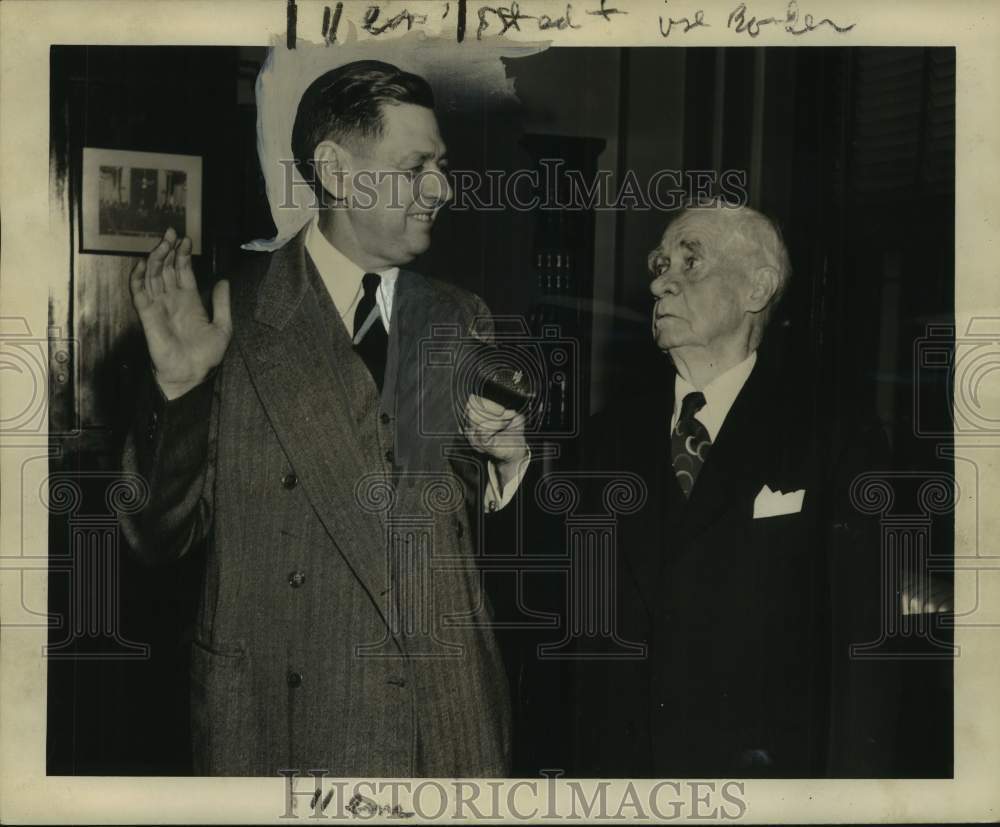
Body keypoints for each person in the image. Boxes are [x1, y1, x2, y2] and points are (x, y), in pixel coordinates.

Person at [121, 60, 528, 777]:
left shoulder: (461, 315)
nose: (443, 188)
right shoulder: (230, 315)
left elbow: (472, 544)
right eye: (416, 167)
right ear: (337, 171)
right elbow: (157, 536)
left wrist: (508, 462)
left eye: (442, 165)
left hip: (446, 722)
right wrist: (180, 390)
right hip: (285, 724)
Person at [570, 200, 907, 777]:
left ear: (758, 288)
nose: (661, 284)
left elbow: (865, 652)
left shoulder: (836, 438)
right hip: (621, 778)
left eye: (690, 263)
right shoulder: (605, 439)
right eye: (660, 264)